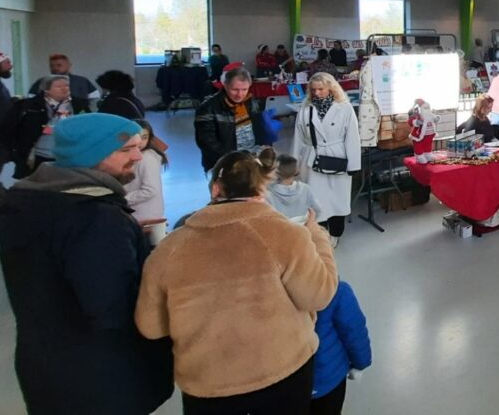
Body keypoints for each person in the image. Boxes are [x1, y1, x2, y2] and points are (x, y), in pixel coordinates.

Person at [135, 151, 338, 413]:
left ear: (216, 189)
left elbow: (151, 326)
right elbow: (318, 296)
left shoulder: (168, 250)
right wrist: (317, 236)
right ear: (262, 189)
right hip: (284, 371)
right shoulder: (288, 235)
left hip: (209, 386)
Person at [0, 113, 174, 414]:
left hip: (47, 369)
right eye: (125, 149)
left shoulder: (31, 201)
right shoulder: (96, 218)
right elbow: (114, 308)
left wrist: (128, 240)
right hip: (103, 380)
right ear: (89, 154)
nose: (137, 155)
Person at [294, 73, 361, 247]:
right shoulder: (305, 108)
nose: (317, 93)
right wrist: (294, 163)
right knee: (316, 200)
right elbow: (298, 138)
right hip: (312, 159)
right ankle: (320, 235)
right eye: (313, 89)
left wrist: (353, 164)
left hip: (337, 158)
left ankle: (336, 234)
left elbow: (352, 137)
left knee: (338, 200)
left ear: (331, 88)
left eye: (321, 89)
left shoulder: (344, 108)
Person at [2, 75, 93, 177]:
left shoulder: (79, 104)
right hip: (38, 157)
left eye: (67, 85)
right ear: (46, 90)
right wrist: (15, 154)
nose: (64, 88)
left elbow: (89, 125)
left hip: (70, 157)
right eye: (58, 86)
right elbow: (9, 130)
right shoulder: (28, 106)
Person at [310, 279, 372, 415]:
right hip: (329, 378)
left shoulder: (274, 294)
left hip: (288, 382)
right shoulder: (337, 290)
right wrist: (360, 363)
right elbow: (354, 331)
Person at [194, 67, 271, 172]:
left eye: (244, 89)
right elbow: (207, 143)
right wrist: (233, 161)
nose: (240, 94)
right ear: (225, 86)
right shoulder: (208, 108)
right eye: (235, 89)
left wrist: (267, 139)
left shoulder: (252, 102)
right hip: (223, 164)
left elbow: (259, 131)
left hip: (252, 161)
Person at [124, 118, 167, 225]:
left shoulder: (147, 158)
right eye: (136, 136)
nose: (140, 142)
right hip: (140, 213)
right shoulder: (137, 156)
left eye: (144, 137)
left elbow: (150, 190)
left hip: (145, 216)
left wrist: (123, 199)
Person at [267, 153, 323, 224]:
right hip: (303, 229)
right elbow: (318, 209)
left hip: (280, 229)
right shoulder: (305, 189)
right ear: (296, 170)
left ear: (275, 172)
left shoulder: (268, 192)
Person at [27, 54, 97, 100]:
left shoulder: (82, 81)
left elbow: (95, 98)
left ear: (69, 65)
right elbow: (31, 98)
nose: (55, 68)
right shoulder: (41, 82)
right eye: (52, 66)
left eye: (59, 65)